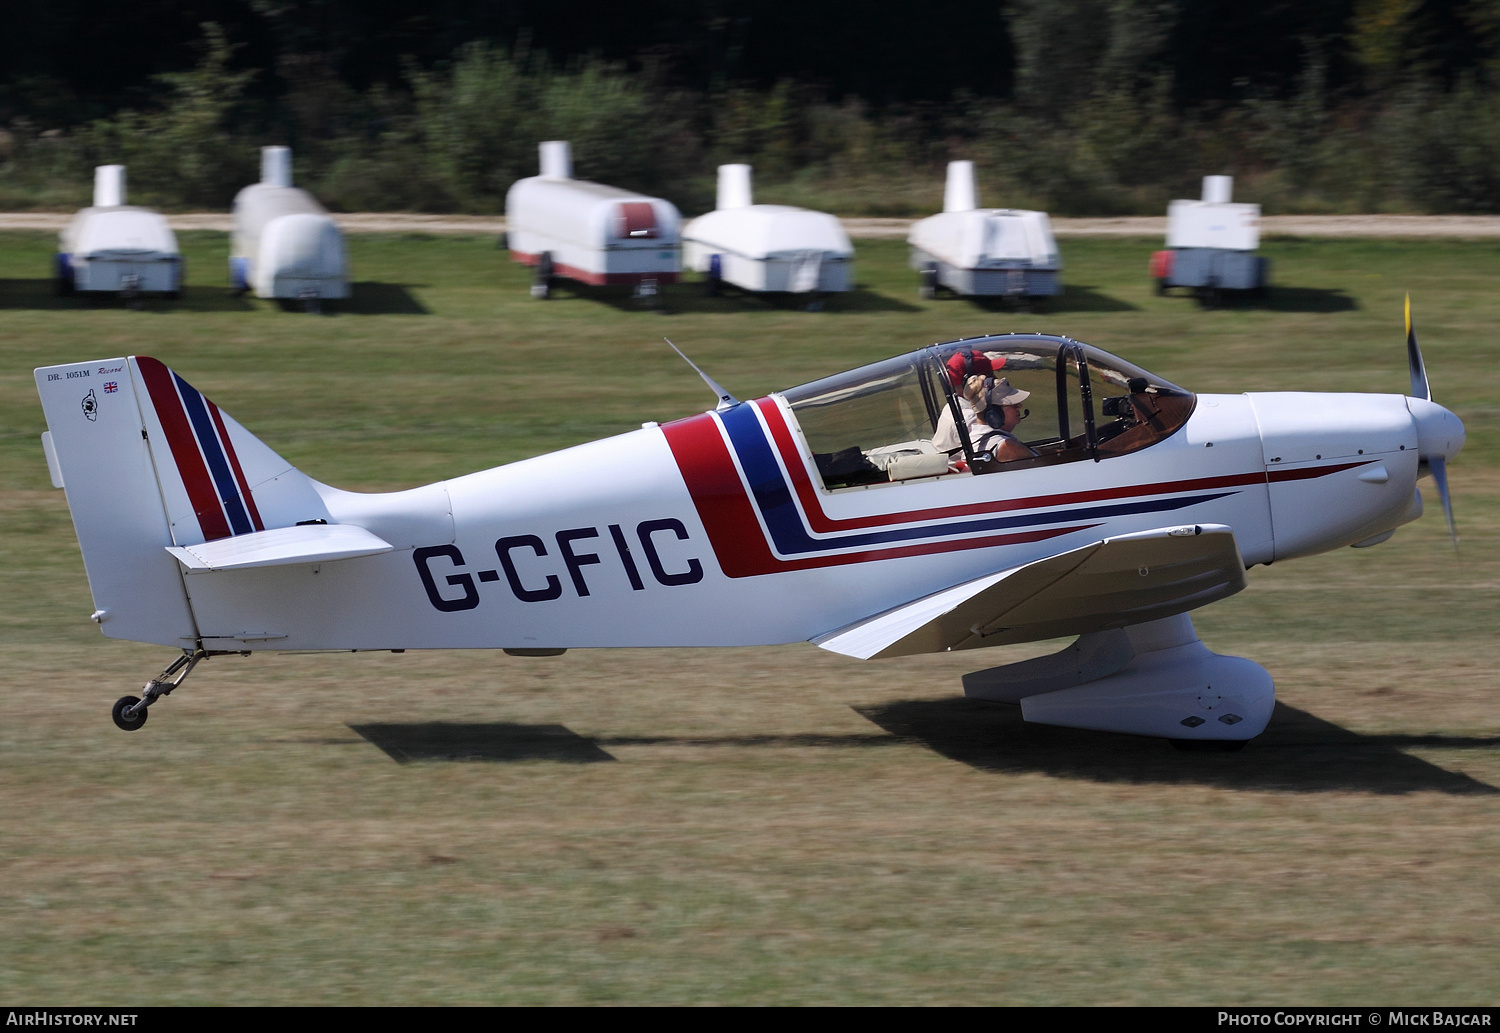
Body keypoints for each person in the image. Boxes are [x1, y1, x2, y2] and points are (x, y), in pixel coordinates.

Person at [933, 375, 1036, 464]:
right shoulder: (1007, 447)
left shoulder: (975, 438)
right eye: (1013, 404)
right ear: (994, 413)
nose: (1020, 406)